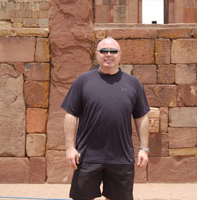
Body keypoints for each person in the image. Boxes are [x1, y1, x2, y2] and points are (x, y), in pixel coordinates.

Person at [62, 37, 150, 200]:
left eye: (113, 51)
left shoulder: (133, 83)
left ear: (120, 55)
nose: (108, 54)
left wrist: (144, 149)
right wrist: (69, 148)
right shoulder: (83, 81)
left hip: (121, 157)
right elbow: (71, 115)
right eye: (103, 51)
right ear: (97, 54)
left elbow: (141, 117)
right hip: (87, 156)